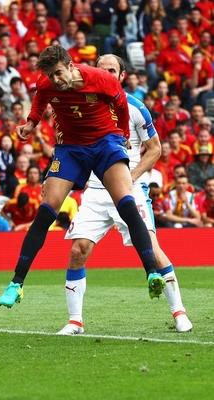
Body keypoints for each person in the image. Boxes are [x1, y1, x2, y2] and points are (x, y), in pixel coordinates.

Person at [0, 45, 164, 308]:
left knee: (126, 203)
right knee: (46, 210)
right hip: (70, 149)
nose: (56, 80)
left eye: (59, 73)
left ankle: (152, 273)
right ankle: (16, 284)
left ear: (71, 66)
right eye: (51, 75)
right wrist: (31, 123)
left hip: (104, 144)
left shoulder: (100, 79)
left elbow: (121, 105)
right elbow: (41, 97)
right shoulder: (46, 82)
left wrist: (121, 133)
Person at [59, 55, 192, 335]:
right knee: (77, 250)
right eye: (101, 69)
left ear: (120, 76)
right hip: (95, 191)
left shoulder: (135, 107)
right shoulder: (82, 105)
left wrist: (129, 178)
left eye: (111, 70)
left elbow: (154, 148)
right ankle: (75, 321)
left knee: (153, 251)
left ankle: (179, 313)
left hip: (129, 190)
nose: (105, 73)